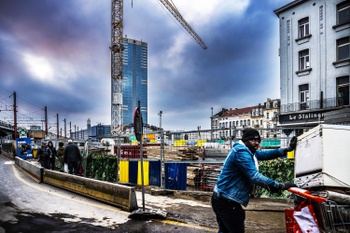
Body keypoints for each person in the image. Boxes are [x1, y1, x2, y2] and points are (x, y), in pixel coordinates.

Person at [211, 128, 297, 233]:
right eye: (253, 140)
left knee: (225, 231)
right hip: (227, 201)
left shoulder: (249, 151)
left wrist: (287, 149)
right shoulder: (241, 152)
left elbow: (266, 154)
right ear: (245, 140)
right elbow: (254, 176)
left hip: (221, 198)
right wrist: (279, 185)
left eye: (258, 140)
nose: (256, 143)